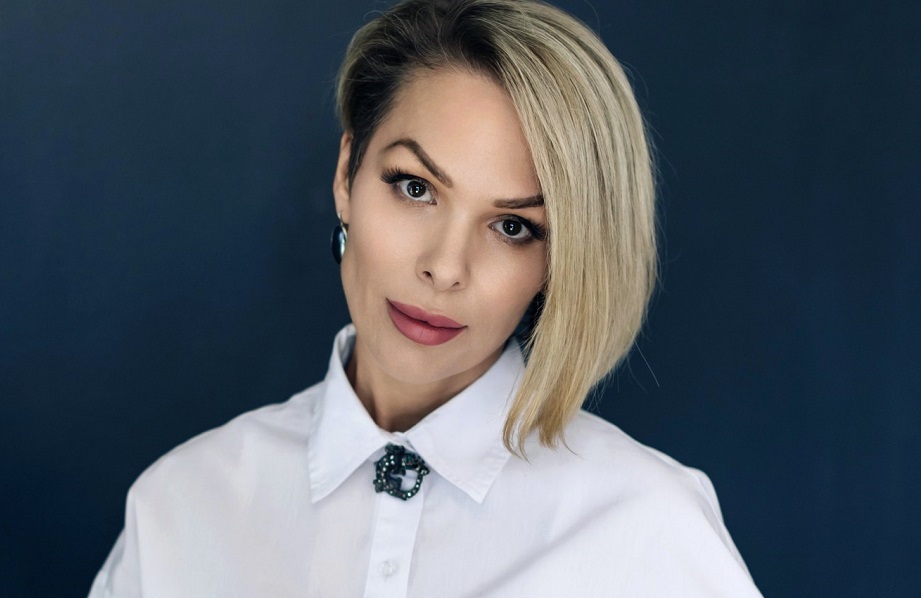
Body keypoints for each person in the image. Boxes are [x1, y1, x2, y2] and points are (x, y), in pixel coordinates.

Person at [90, 0, 761, 595]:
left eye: (512, 227)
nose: (444, 268)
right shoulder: (181, 507)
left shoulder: (645, 527)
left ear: (560, 262)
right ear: (347, 175)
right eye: (415, 188)